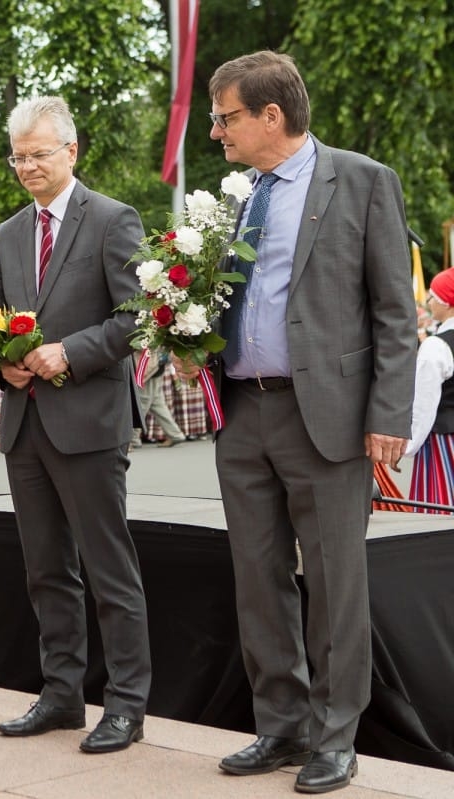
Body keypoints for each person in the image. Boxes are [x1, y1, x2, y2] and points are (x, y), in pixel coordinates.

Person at [187, 51, 415, 793]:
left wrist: (388, 413)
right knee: (258, 581)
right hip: (243, 411)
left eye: (225, 116)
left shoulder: (363, 180)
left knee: (335, 582)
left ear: (270, 116)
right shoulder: (236, 196)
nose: (216, 130)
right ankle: (280, 726)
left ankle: (335, 734)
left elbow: (393, 312)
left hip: (329, 418)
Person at [0, 96, 150, 753]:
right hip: (25, 423)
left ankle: (127, 705)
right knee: (46, 569)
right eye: (17, 156)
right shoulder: (6, 234)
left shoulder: (112, 219)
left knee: (110, 570)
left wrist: (69, 352)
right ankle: (61, 695)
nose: (26, 166)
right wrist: (6, 364)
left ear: (71, 152)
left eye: (38, 154)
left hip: (89, 421)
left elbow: (137, 314)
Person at [405, 268, 454, 510]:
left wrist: (406, 447)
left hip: (445, 442)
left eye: (434, 296)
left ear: (447, 302)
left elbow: (424, 407)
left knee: (439, 513)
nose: (429, 301)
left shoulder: (436, 346)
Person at [131, 351, 186, 448]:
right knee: (158, 404)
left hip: (147, 367)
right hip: (156, 365)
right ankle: (175, 434)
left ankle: (132, 439)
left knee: (140, 405)